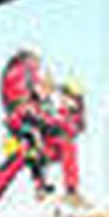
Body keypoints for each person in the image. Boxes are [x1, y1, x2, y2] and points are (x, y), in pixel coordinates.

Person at [0, 49, 67, 211]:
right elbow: (40, 91)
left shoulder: (13, 72)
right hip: (24, 115)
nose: (38, 66)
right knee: (41, 146)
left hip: (17, 119)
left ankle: (39, 185)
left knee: (24, 156)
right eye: (37, 63)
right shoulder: (24, 71)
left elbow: (33, 92)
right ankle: (41, 185)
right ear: (29, 60)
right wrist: (52, 90)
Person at [44, 79, 89, 209]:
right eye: (73, 98)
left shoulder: (76, 114)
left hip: (57, 147)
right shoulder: (54, 106)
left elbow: (77, 128)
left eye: (78, 99)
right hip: (45, 145)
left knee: (68, 146)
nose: (76, 102)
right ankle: (64, 191)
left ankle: (71, 192)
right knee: (67, 145)